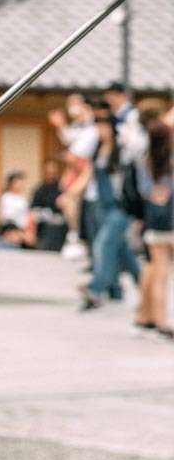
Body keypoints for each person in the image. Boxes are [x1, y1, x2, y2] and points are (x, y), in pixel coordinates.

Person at [81, 110, 142, 311]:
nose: (101, 129)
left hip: (119, 206)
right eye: (98, 125)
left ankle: (95, 289)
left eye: (104, 125)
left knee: (103, 245)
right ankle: (132, 288)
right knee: (122, 250)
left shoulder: (122, 149)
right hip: (102, 204)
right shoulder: (99, 149)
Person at [135, 115, 174, 339]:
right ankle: (159, 320)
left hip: (155, 225)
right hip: (171, 222)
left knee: (159, 273)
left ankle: (158, 319)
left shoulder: (145, 162)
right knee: (164, 274)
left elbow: (146, 192)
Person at [49, 95, 98, 260]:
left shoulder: (93, 123)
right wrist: (61, 124)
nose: (72, 108)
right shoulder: (77, 125)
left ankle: (77, 238)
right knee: (66, 199)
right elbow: (68, 138)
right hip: (74, 168)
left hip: (86, 168)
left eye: (75, 104)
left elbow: (80, 150)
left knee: (71, 199)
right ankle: (74, 237)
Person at [29, 159, 67, 250]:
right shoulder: (39, 190)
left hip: (61, 225)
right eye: (48, 172)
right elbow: (33, 210)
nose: (51, 175)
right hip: (44, 227)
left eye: (53, 172)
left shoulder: (62, 187)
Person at [0, 171, 31, 241]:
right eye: (17, 182)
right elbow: (5, 216)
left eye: (21, 182)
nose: (20, 185)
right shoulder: (6, 197)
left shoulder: (23, 198)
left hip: (24, 228)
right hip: (10, 228)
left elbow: (27, 214)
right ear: (11, 184)